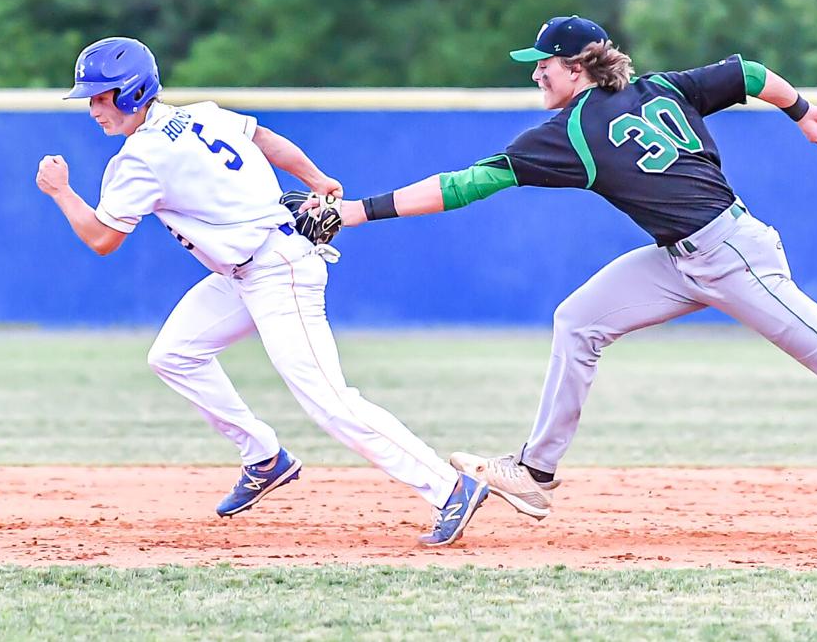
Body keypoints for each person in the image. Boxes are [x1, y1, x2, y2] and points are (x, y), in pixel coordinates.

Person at [323, 15, 817, 520]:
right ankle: (536, 472)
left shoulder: (569, 131)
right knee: (578, 320)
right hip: (682, 257)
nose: (535, 72)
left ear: (575, 67)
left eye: (541, 63)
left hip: (733, 253)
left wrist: (357, 211)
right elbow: (747, 71)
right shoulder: (664, 87)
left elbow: (462, 184)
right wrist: (800, 111)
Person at [35, 36, 488, 546]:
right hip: (246, 271)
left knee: (330, 401)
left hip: (278, 271)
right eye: (90, 98)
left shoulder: (138, 158)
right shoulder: (202, 113)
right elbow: (266, 139)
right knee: (174, 355)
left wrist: (61, 191)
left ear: (134, 91)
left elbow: (101, 238)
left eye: (102, 96)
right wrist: (316, 177)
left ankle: (450, 487)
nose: (93, 108)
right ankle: (263, 456)